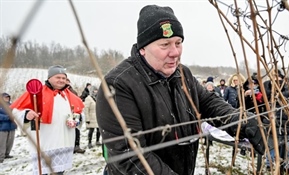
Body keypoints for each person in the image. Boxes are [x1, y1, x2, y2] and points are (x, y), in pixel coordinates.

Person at [96, 5, 265, 175]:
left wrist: (243, 122)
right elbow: (130, 156)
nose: (175, 52)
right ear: (143, 48)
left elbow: (209, 103)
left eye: (178, 43)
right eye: (165, 44)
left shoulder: (183, 73)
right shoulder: (118, 85)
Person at [11, 65, 84, 175]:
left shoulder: (70, 95)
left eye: (64, 78)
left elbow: (79, 112)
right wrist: (27, 114)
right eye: (58, 77)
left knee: (60, 171)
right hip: (45, 141)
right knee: (43, 171)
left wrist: (77, 120)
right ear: (49, 78)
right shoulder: (37, 93)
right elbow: (15, 110)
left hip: (64, 140)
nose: (61, 80)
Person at [66, 78, 85, 154]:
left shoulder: (73, 92)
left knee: (76, 130)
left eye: (67, 82)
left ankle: (76, 146)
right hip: (65, 113)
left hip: (74, 113)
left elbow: (77, 101)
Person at [0, 93, 16, 163]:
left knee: (10, 141)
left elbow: (15, 112)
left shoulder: (11, 105)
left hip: (12, 126)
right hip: (2, 127)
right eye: (5, 97)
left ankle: (7, 154)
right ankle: (1, 156)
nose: (7, 98)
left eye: (8, 97)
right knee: (2, 143)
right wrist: (7, 117)